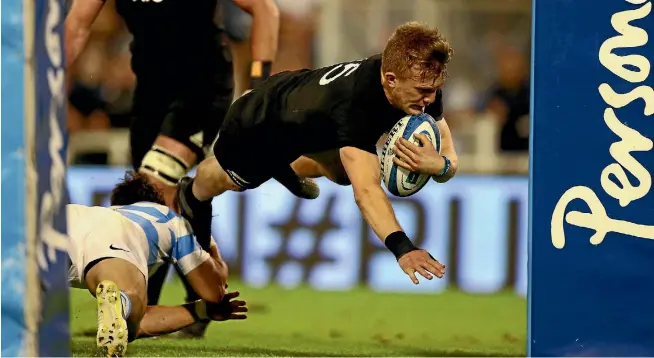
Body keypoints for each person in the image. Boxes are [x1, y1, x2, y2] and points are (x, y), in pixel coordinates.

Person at [64, 0, 317, 338]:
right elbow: (77, 24)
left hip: (202, 88)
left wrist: (258, 89)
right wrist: (48, 85)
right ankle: (141, 310)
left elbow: (264, 9)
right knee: (147, 204)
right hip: (151, 95)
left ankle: (151, 302)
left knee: (154, 181)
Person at [176, 21, 459, 285]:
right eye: (424, 91)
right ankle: (193, 191)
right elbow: (368, 193)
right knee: (230, 180)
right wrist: (403, 249)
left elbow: (449, 156)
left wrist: (441, 165)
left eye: (435, 90)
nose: (431, 99)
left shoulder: (420, 81)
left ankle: (287, 170)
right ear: (390, 79)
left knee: (343, 173)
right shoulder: (356, 106)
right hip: (258, 123)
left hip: (309, 118)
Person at [67, 172, 247, 357]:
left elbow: (145, 320)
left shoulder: (108, 211)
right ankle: (123, 303)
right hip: (116, 238)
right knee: (127, 310)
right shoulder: (170, 218)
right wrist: (208, 241)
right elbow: (214, 290)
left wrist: (201, 310)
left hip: (69, 216)